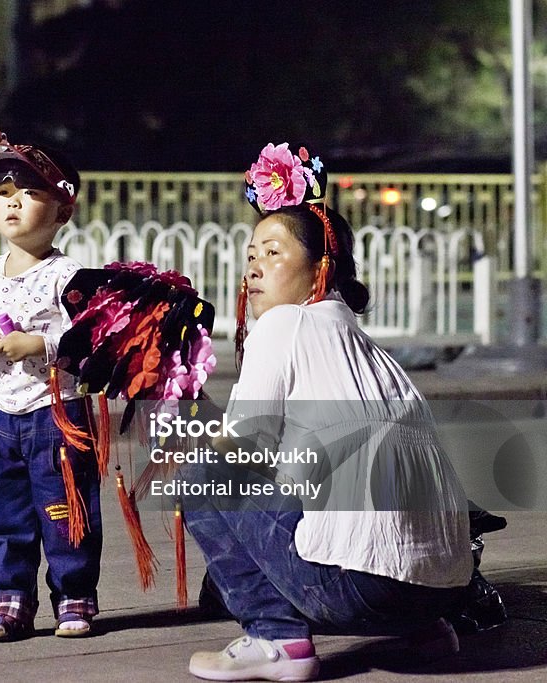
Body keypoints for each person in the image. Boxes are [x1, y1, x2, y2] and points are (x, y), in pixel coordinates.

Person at [180, 142, 472, 681]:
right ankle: (422, 633)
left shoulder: (285, 326)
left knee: (199, 473)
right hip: (441, 593)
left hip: (358, 591)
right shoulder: (373, 352)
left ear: (321, 266)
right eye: (250, 257)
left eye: (273, 253)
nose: (255, 270)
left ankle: (276, 641)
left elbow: (237, 449)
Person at [0, 128, 102, 641]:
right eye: (1, 195)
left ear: (63, 210)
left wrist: (39, 345)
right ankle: (10, 594)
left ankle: (75, 593)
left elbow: (87, 334)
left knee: (66, 507)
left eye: (30, 193)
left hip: (55, 413)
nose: (12, 203)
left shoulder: (70, 275)